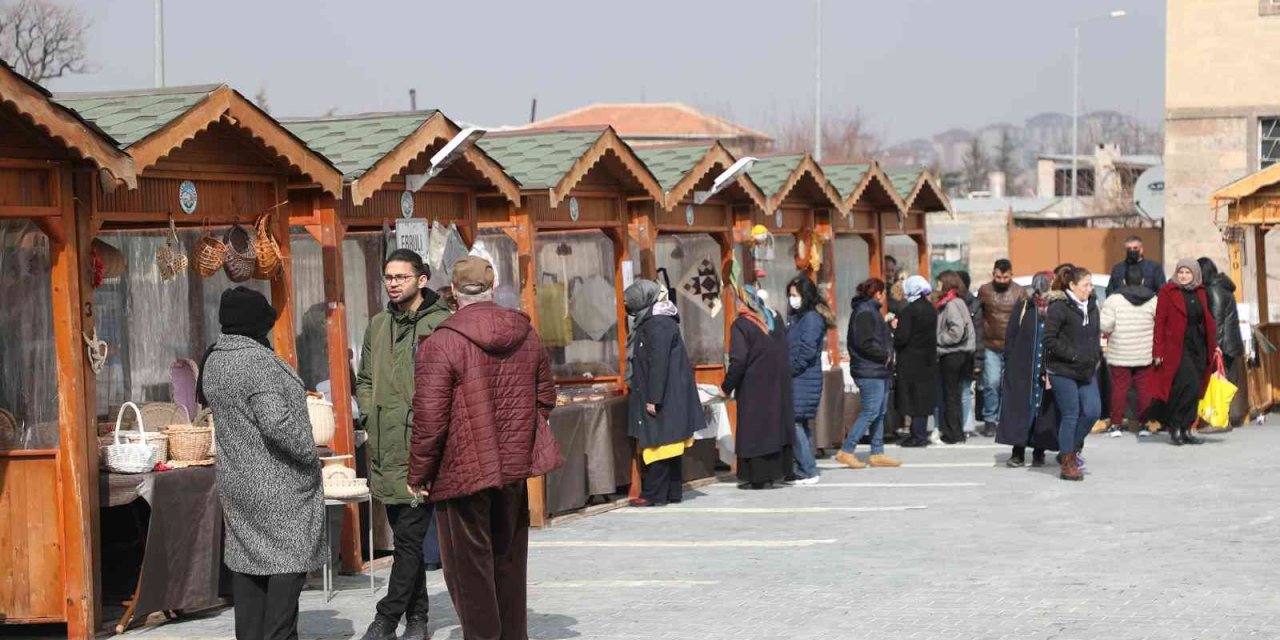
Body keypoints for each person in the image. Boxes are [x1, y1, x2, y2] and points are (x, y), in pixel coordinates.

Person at [407, 256, 561, 640]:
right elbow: (545, 398)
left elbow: (430, 417)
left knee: (468, 571)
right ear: (492, 290)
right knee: (508, 561)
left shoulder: (441, 342)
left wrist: (419, 475)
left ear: (453, 294)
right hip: (511, 467)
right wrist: (514, 436)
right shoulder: (526, 333)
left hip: (462, 470)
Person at [199, 287, 323, 640]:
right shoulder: (256, 362)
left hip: (238, 480)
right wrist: (309, 454)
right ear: (257, 324)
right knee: (288, 560)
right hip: (277, 483)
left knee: (249, 563)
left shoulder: (216, 359)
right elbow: (276, 422)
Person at [355, 249, 451, 640]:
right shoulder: (377, 325)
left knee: (409, 540)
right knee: (406, 542)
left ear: (422, 279)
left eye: (402, 277)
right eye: (388, 277)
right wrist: (369, 412)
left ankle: (386, 619)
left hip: (420, 450)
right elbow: (363, 379)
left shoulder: (441, 325)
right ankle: (418, 619)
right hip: (384, 448)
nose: (393, 283)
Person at [623, 279, 702, 506]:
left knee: (658, 444)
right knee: (670, 444)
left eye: (630, 301)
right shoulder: (655, 321)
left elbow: (658, 364)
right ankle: (672, 492)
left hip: (663, 396)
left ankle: (654, 494)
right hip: (669, 394)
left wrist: (653, 399)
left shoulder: (656, 324)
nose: (627, 306)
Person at [723, 281, 795, 488]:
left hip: (754, 387)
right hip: (777, 385)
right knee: (774, 427)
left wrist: (726, 387)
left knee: (756, 431)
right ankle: (776, 474)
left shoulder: (742, 325)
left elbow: (738, 361)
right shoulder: (775, 318)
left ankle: (758, 478)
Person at [1043, 266, 1103, 481]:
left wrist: (1095, 354)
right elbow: (1049, 339)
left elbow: (1095, 334)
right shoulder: (1060, 307)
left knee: (1093, 411)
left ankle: (1068, 449)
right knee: (1071, 413)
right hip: (1063, 369)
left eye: (1091, 284)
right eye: (1085, 285)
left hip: (1086, 369)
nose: (1090, 288)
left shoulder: (1092, 305)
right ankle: (1068, 462)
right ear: (1072, 286)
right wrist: (1074, 355)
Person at [1151, 260, 1219, 446]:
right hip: (1177, 347)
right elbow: (1160, 321)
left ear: (1195, 274)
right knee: (1186, 384)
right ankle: (1176, 426)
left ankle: (1187, 428)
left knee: (1196, 388)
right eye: (1180, 272)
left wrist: (1215, 345)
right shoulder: (1168, 291)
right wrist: (1157, 350)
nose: (1183, 276)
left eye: (1188, 272)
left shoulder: (1201, 292)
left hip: (1199, 345)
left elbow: (1208, 320)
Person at [835, 278, 901, 469]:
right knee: (870, 411)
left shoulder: (872, 311)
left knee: (880, 412)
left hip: (879, 369)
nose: (885, 296)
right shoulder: (864, 312)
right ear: (877, 293)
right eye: (883, 292)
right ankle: (847, 450)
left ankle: (877, 452)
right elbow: (864, 343)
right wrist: (885, 355)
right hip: (869, 370)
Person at [996, 272, 1053, 467]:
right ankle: (1018, 451)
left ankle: (1039, 451)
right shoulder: (1024, 307)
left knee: (1042, 410)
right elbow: (1011, 337)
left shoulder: (1055, 308)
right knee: (1021, 410)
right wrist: (1009, 363)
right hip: (1023, 369)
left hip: (1046, 369)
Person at [1099, 264, 1158, 433]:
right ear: (1143, 280)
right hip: (1145, 352)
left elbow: (1106, 326)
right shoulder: (1153, 299)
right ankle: (1144, 424)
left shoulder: (1113, 300)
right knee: (1144, 389)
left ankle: (1116, 424)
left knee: (1119, 388)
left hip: (1120, 352)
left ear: (1124, 281)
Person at [786, 276, 832, 484]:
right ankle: (804, 467)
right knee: (799, 423)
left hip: (802, 378)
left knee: (795, 423)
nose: (791, 299)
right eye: (789, 295)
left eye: (795, 295)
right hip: (799, 378)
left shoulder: (811, 318)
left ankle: (808, 470)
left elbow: (806, 350)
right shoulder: (799, 317)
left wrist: (790, 369)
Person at [976, 259, 1027, 437]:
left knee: (1011, 385)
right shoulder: (984, 291)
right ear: (993, 274)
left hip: (1013, 346)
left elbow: (1025, 319)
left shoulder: (1020, 292)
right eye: (998, 277)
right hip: (991, 345)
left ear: (1011, 275)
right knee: (991, 383)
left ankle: (1007, 419)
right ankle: (990, 420)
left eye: (1005, 277)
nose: (1002, 280)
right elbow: (977, 317)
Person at [1198, 257, 1246, 428]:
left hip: (1223, 345)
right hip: (1231, 343)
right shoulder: (1223, 286)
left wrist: (1214, 346)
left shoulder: (1213, 290)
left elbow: (1216, 322)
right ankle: (1223, 418)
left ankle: (1219, 420)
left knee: (1217, 383)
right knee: (1224, 383)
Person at [895, 276, 939, 448]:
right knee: (922, 397)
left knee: (913, 398)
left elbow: (902, 337)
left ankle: (918, 435)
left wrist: (894, 329)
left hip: (911, 360)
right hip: (927, 359)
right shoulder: (931, 309)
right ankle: (919, 433)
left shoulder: (909, 311)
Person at [935, 271, 976, 445]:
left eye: (938, 283)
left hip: (952, 354)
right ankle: (957, 432)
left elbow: (957, 330)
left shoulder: (951, 304)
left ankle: (952, 434)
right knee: (956, 394)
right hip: (962, 354)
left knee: (950, 395)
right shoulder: (959, 301)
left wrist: (938, 339)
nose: (936, 287)